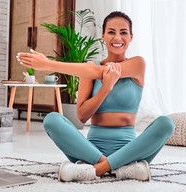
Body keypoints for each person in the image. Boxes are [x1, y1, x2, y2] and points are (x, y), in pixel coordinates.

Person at [17, 11, 175, 182]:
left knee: (166, 123)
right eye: (111, 32)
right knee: (51, 119)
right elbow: (82, 117)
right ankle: (116, 168)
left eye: (123, 32)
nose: (117, 38)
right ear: (103, 36)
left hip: (130, 151)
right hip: (90, 150)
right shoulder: (89, 70)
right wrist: (105, 89)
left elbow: (99, 72)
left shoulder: (137, 64)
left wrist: (48, 64)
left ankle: (96, 170)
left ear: (131, 37)